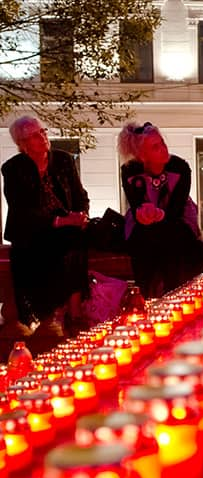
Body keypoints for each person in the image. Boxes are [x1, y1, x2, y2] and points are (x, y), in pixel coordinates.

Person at [2, 115, 89, 337]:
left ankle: (74, 311)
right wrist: (58, 221)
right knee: (47, 247)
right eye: (34, 135)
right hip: (31, 230)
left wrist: (81, 214)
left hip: (67, 226)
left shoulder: (63, 160)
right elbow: (22, 210)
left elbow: (80, 195)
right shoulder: (13, 169)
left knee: (75, 238)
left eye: (43, 131)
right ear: (22, 144)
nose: (43, 137)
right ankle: (53, 313)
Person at [118, 121, 203, 298]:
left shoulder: (179, 167)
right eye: (155, 147)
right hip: (145, 223)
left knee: (174, 239)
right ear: (143, 155)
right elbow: (135, 204)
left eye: (162, 143)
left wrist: (160, 214)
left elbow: (176, 208)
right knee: (143, 240)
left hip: (175, 218)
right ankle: (146, 296)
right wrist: (144, 213)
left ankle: (175, 292)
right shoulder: (130, 171)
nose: (163, 149)